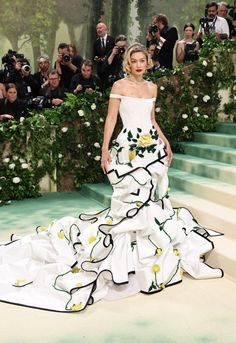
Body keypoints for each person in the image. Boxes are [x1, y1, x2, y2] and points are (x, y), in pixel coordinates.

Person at [0, 43, 223, 313]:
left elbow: (151, 119)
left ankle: (146, 257)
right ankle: (123, 259)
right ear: (129, 63)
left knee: (153, 198)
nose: (139, 64)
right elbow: (110, 120)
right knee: (129, 201)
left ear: (147, 62)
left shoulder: (152, 88)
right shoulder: (119, 86)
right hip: (127, 149)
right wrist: (105, 150)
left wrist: (165, 142)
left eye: (143, 60)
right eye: (135, 60)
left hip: (151, 149)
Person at [93, 22, 115, 91]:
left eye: (100, 28)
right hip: (101, 71)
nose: (98, 30)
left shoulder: (112, 39)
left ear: (105, 29)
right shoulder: (96, 43)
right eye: (97, 28)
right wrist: (98, 59)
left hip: (110, 69)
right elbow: (94, 56)